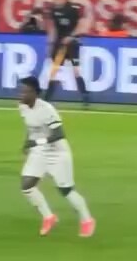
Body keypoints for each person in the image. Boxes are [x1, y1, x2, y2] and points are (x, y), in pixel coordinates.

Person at [18, 76, 95, 239]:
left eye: (25, 92)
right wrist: (27, 143)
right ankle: (48, 217)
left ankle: (87, 220)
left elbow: (59, 134)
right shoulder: (22, 107)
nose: (21, 95)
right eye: (21, 91)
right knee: (27, 186)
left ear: (35, 93)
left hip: (57, 152)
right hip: (39, 151)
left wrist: (36, 142)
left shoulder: (46, 109)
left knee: (66, 190)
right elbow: (31, 128)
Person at [44, 0, 89, 106]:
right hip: (60, 44)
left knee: (76, 70)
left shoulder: (73, 8)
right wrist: (50, 43)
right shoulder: (53, 10)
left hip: (72, 43)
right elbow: (53, 28)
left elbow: (81, 26)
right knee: (54, 70)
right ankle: (47, 98)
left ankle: (85, 97)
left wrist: (71, 36)